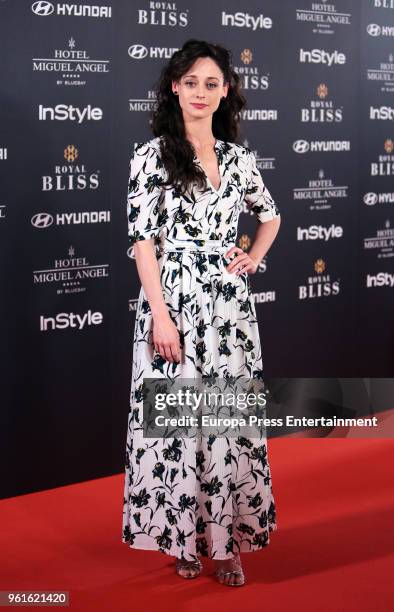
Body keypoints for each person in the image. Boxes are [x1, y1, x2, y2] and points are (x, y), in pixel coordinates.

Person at [122, 38, 281, 587]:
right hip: (174, 305)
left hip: (229, 309)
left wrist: (251, 258)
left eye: (212, 83)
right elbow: (143, 242)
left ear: (226, 91)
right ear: (174, 87)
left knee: (227, 425)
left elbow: (271, 217)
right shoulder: (152, 155)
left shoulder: (238, 159)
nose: (201, 92)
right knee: (178, 428)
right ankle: (183, 541)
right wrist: (160, 318)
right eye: (191, 82)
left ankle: (228, 545)